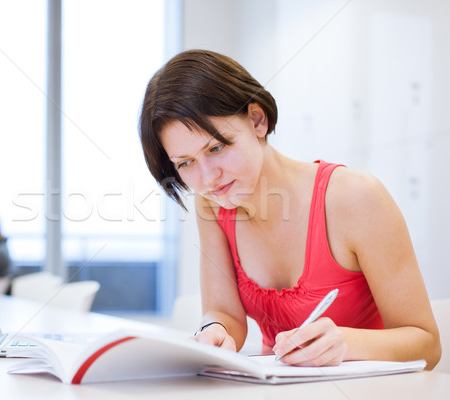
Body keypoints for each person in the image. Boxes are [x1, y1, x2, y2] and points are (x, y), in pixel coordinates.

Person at [139, 49, 441, 369]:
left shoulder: (356, 198)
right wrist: (213, 330)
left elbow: (428, 344)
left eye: (216, 147)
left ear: (257, 119)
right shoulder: (212, 206)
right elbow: (226, 314)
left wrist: (349, 342)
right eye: (185, 163)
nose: (207, 178)